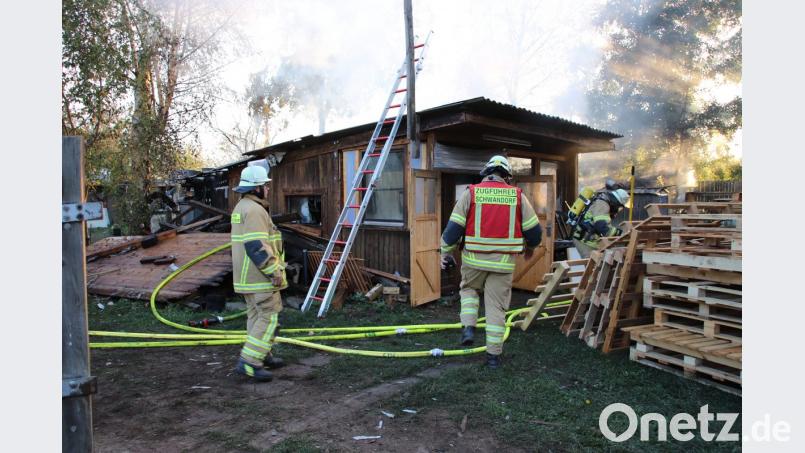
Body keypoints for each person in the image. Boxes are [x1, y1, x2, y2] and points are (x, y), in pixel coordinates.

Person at [439, 155, 543, 369]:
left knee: (468, 291)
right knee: (496, 308)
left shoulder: (471, 193)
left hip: (473, 261)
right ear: (507, 176)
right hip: (503, 265)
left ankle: (468, 328)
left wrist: (445, 252)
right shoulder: (517, 196)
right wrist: (530, 248)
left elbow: (453, 230)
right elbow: (534, 232)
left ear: (486, 173)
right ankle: (493, 358)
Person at [230, 165, 288, 382]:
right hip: (259, 276)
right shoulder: (254, 210)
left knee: (255, 317)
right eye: (265, 185)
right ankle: (250, 362)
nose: (268, 189)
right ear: (255, 189)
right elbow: (256, 245)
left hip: (246, 277)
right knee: (269, 316)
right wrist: (273, 271)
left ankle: (263, 353)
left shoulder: (242, 207)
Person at [570, 184, 630, 258]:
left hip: (590, 239)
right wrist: (620, 233)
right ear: (616, 202)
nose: (618, 210)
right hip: (584, 241)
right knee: (592, 266)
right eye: (619, 207)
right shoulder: (603, 205)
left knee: (598, 264)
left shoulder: (602, 202)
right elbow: (602, 227)